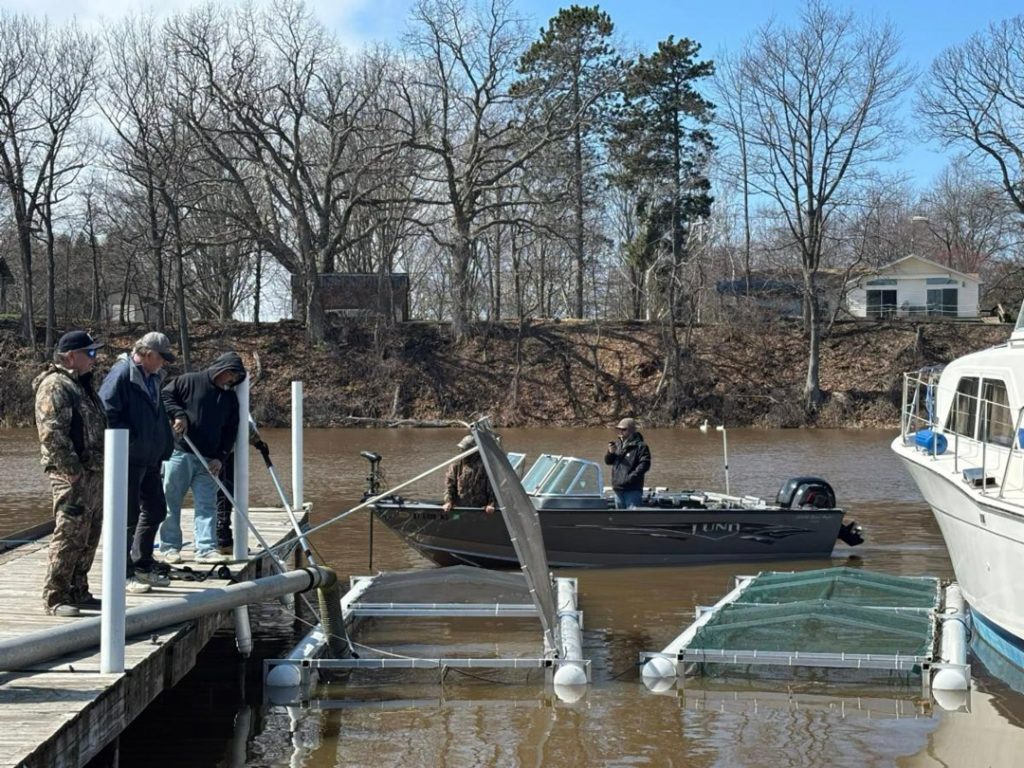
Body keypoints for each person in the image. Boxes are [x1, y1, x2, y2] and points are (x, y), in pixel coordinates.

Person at [33, 331, 107, 617]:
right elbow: (52, 434)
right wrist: (71, 471)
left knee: (90, 533)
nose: (94, 358)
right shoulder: (55, 385)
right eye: (89, 353)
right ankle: (55, 596)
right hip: (72, 477)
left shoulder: (83, 385)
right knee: (69, 533)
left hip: (94, 473)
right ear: (71, 356)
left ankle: (78, 590)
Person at [99, 331, 177, 592]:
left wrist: (164, 446)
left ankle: (142, 563)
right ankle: (124, 573)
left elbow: (157, 416)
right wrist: (129, 441)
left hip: (151, 458)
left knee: (156, 509)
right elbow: (106, 411)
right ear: (147, 354)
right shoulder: (122, 374)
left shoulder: (154, 377)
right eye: (161, 357)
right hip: (128, 458)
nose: (164, 363)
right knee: (127, 516)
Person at [159, 351, 248, 564]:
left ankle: (205, 548)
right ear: (224, 370)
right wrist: (178, 415)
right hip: (180, 452)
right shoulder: (188, 381)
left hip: (209, 461)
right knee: (171, 501)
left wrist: (220, 457)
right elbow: (165, 396)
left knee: (207, 505)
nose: (233, 382)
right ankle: (170, 547)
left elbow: (230, 431)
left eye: (236, 380)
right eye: (232, 377)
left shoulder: (229, 399)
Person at [214, 421, 268, 556]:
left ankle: (219, 539)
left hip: (216, 453)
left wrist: (258, 443)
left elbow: (244, 424)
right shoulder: (232, 404)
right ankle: (223, 540)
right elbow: (243, 423)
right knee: (224, 494)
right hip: (221, 455)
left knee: (220, 495)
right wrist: (257, 441)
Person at [604, 417, 651, 509]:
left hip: (632, 490)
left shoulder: (641, 446)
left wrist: (630, 478)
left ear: (631, 431)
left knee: (633, 519)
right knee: (620, 519)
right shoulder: (617, 444)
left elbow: (645, 465)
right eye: (619, 429)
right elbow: (608, 462)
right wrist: (610, 453)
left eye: (623, 429)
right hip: (618, 489)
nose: (620, 432)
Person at [442, 435, 496, 514]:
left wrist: (491, 504)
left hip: (481, 509)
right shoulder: (456, 464)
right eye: (461, 449)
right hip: (460, 507)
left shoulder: (486, 465)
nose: (462, 451)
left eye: (464, 449)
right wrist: (448, 501)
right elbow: (449, 485)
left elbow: (492, 487)